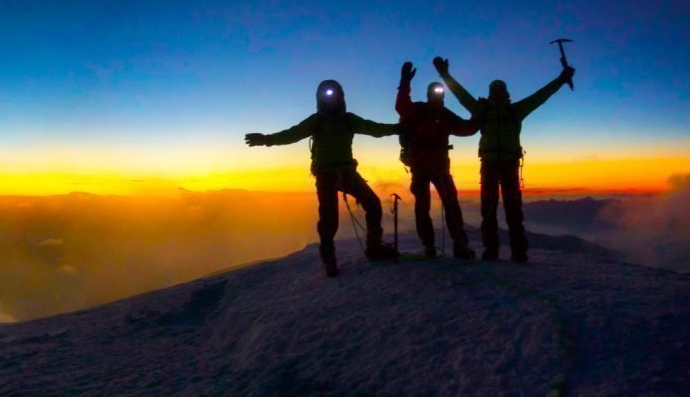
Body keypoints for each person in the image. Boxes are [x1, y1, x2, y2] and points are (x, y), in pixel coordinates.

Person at [245, 80, 399, 277]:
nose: (331, 100)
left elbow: (374, 128)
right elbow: (292, 134)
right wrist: (267, 140)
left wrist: (398, 129)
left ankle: (346, 257)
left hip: (336, 173)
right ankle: (355, 253)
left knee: (361, 209)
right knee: (337, 217)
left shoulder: (338, 120)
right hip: (339, 174)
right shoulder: (333, 120)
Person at [432, 56, 575, 262]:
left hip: (496, 164)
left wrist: (561, 80)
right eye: (496, 90)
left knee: (501, 209)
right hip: (502, 164)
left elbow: (541, 95)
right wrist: (445, 75)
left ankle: (500, 251)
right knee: (505, 209)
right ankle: (513, 252)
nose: (498, 93)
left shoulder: (489, 110)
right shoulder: (511, 111)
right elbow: (540, 96)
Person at [394, 62, 478, 259]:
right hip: (430, 167)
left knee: (430, 206)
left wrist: (405, 82)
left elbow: (467, 129)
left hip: (426, 166)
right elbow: (467, 129)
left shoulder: (433, 113)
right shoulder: (430, 112)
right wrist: (404, 83)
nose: (438, 95)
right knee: (444, 205)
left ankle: (435, 246)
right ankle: (454, 246)